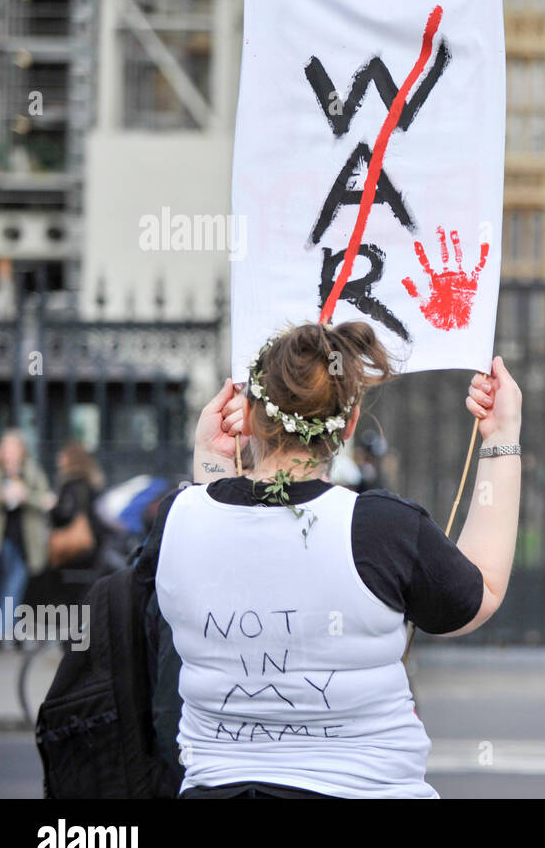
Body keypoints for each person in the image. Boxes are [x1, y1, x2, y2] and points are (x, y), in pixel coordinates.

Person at [136, 321, 522, 798]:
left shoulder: (177, 517)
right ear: (351, 421)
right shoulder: (380, 529)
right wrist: (502, 439)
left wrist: (212, 459)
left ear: (251, 414)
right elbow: (478, 592)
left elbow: (214, 532)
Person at [0, 430, 53, 646]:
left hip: (27, 539)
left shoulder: (32, 472)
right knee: (8, 584)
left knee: (15, 583)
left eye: (14, 449)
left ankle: (3, 631)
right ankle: (12, 633)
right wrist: (1, 496)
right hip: (0, 539)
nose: (11, 453)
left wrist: (25, 495)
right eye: (7, 449)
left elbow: (45, 500)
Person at [48, 442, 106, 571]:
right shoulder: (92, 482)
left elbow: (65, 513)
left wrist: (52, 508)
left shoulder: (70, 483)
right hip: (93, 541)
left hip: (74, 542)